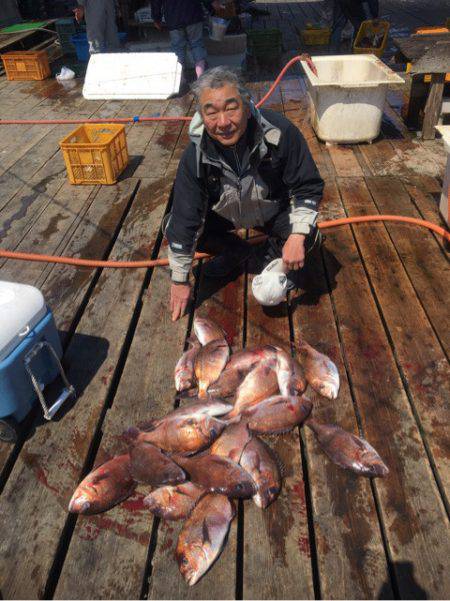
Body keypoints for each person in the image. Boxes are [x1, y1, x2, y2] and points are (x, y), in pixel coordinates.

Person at [164, 67, 324, 321]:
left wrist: (296, 235)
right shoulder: (193, 155)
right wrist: (180, 279)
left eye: (231, 107)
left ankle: (273, 259)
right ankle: (234, 250)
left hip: (272, 211)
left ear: (248, 106)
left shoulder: (280, 132)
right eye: (211, 112)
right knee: (172, 225)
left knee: (309, 236)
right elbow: (185, 217)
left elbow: (307, 186)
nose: (223, 122)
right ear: (201, 116)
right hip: (224, 215)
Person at [150, 0, 222, 95]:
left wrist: (156, 18)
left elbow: (156, 2)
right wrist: (211, 7)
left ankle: (180, 79)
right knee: (197, 44)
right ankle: (201, 77)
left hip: (173, 18)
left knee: (178, 48)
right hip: (193, 15)